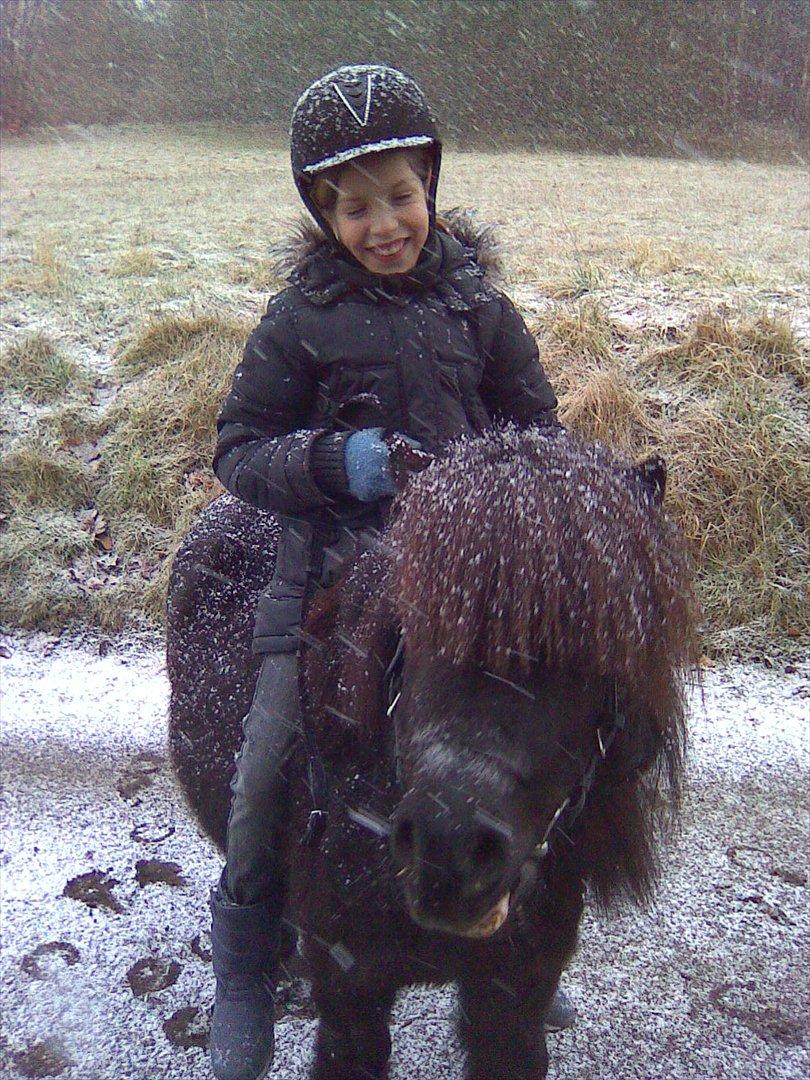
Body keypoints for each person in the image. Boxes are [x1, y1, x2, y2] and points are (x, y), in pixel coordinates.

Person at [208, 63, 572, 1080]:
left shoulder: (480, 311)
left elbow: (536, 428)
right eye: (356, 207)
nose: (385, 224)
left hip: (459, 588)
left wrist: (525, 490)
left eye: (401, 196)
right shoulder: (300, 319)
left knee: (519, 742)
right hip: (325, 580)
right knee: (266, 764)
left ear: (432, 189)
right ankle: (247, 950)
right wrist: (335, 463)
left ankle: (517, 922)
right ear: (325, 218)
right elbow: (239, 447)